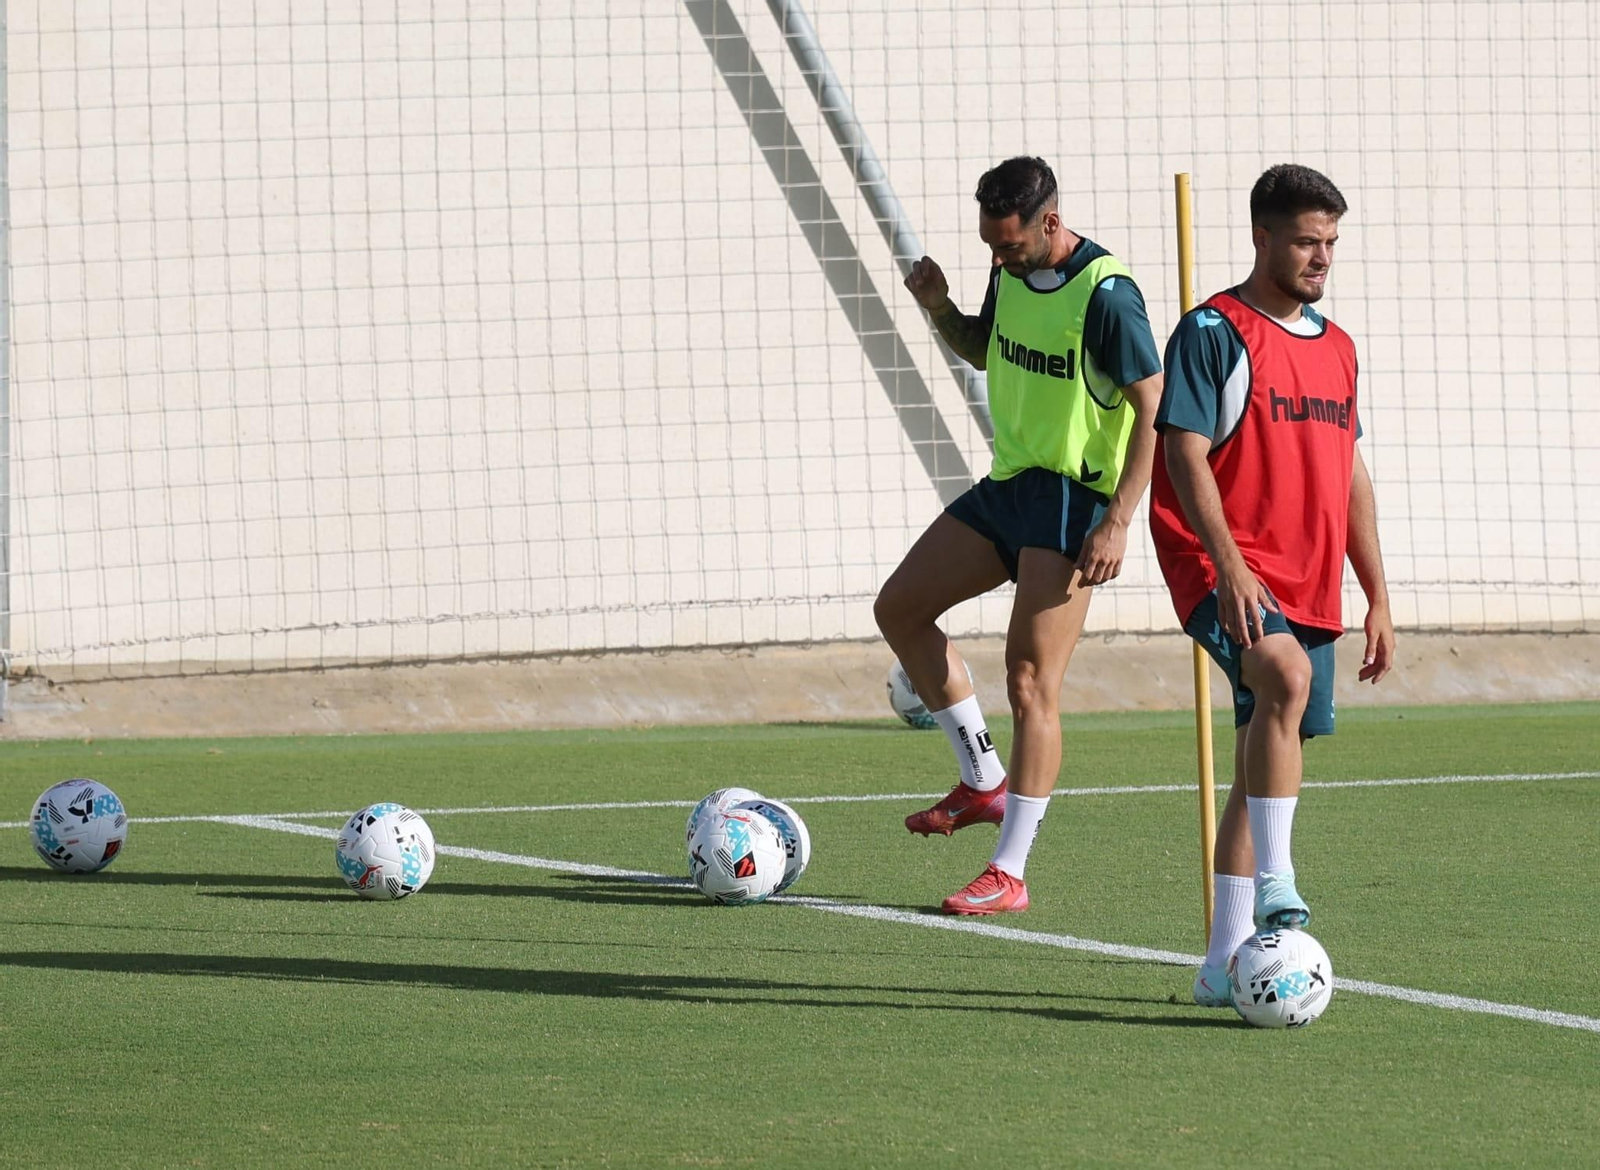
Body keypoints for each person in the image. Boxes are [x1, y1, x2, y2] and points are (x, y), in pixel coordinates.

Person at [877, 156, 1164, 915]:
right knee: (899, 608)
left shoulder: (1108, 296)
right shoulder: (1009, 271)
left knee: (1031, 680)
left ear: (1049, 220)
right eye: (989, 248)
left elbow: (1156, 410)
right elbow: (988, 348)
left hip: (1076, 502)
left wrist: (1120, 518)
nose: (996, 259)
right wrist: (940, 308)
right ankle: (981, 782)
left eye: (1007, 246)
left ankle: (1010, 870)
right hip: (1012, 485)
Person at [1147, 163, 1396, 1005]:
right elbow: (1181, 450)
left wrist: (1378, 593)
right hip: (1222, 563)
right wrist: (1230, 564)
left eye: (1330, 242)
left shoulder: (1340, 347)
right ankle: (1282, 890)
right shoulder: (1213, 330)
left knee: (1266, 764)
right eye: (1304, 240)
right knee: (1282, 679)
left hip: (1310, 577)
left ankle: (1221, 964)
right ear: (1261, 236)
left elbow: (1349, 472)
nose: (1321, 256)